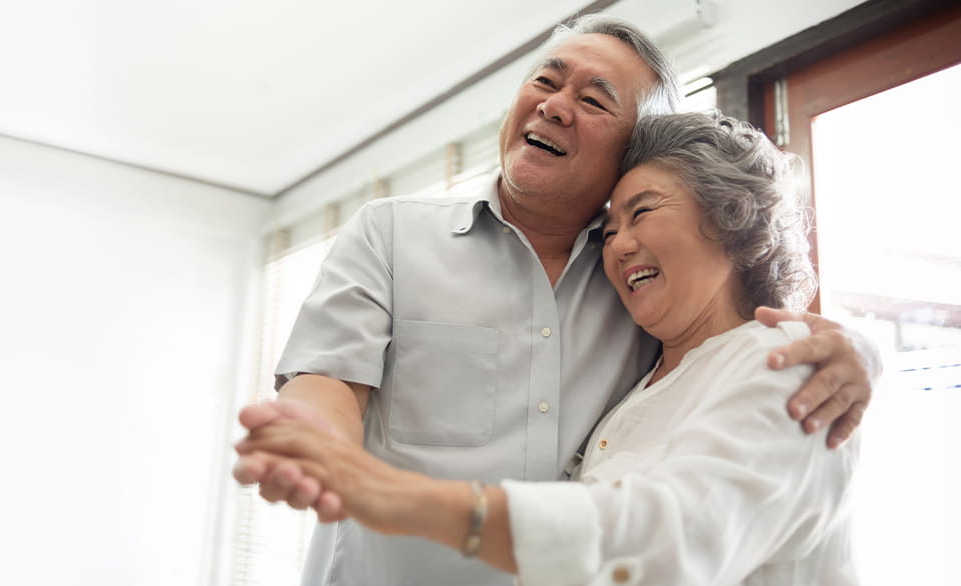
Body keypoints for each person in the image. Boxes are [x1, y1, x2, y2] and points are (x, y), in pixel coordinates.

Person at [231, 15, 877, 586]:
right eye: (545, 81)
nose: (555, 105)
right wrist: (317, 442)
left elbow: (677, 519)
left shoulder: (680, 315)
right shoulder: (391, 232)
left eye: (593, 100)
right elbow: (328, 381)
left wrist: (857, 351)